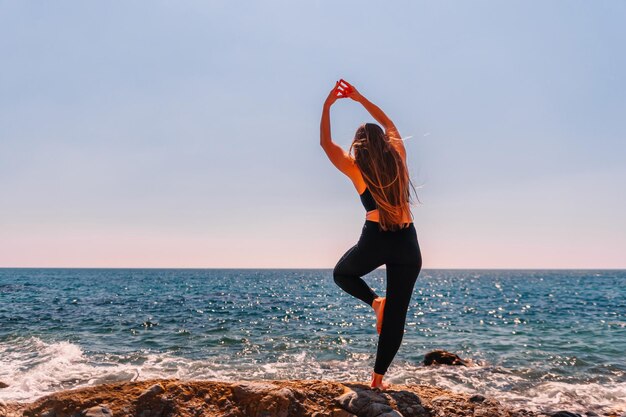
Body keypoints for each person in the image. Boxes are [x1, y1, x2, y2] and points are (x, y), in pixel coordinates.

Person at [320, 79, 422, 390]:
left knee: (342, 274)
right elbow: (389, 122)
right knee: (397, 318)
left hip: (376, 238)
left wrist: (328, 105)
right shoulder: (399, 156)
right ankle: (377, 381)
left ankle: (375, 302)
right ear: (383, 142)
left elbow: (326, 144)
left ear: (360, 144)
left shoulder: (356, 168)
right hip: (407, 242)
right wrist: (359, 97)